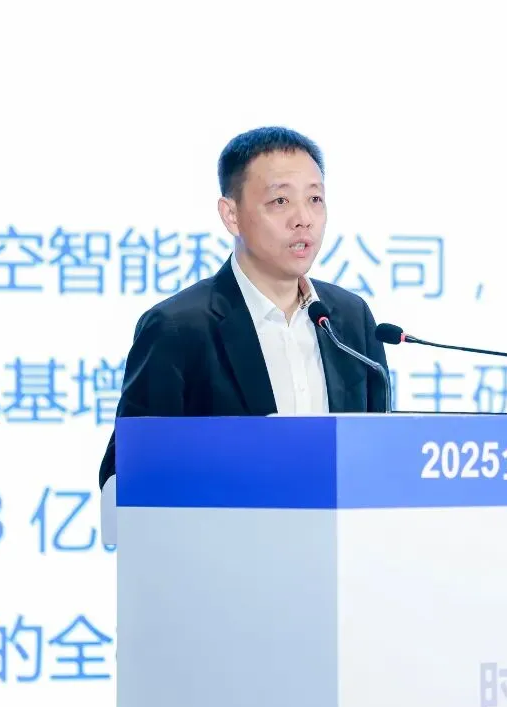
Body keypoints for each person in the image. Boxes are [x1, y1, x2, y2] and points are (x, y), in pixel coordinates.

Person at [98, 126, 390, 490]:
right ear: (231, 215)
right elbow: (126, 474)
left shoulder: (350, 319)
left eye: (315, 199)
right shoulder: (178, 327)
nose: (304, 218)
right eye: (280, 201)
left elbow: (379, 456)